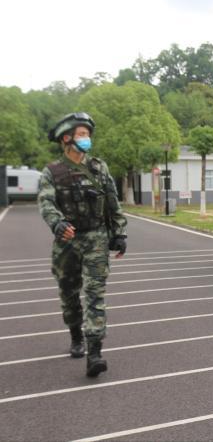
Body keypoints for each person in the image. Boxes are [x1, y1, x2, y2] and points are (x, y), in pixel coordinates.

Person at [37, 112, 127, 377]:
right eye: (81, 134)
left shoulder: (100, 168)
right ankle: (76, 335)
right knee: (69, 294)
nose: (86, 138)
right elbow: (45, 202)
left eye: (87, 134)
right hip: (67, 241)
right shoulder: (51, 171)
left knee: (95, 294)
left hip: (96, 238)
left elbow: (113, 202)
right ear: (67, 138)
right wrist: (57, 223)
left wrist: (119, 233)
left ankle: (95, 351)